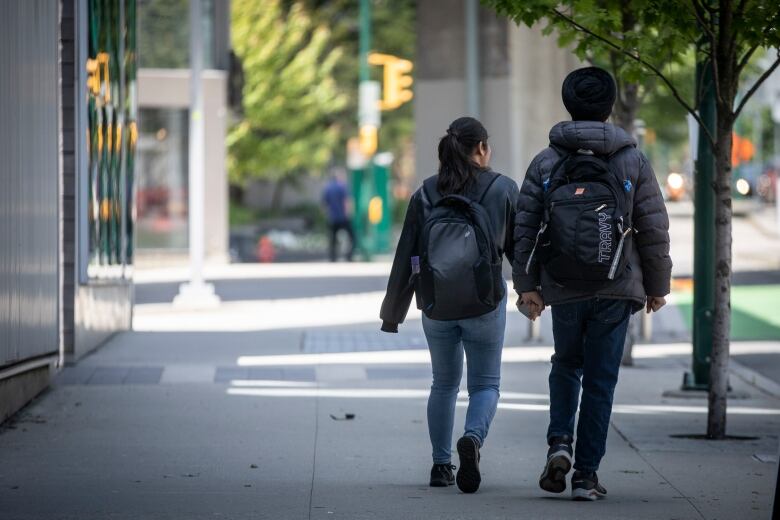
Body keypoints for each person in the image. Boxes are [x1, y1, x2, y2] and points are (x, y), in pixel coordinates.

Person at [513, 67, 672, 501]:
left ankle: (559, 442)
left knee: (566, 363)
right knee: (601, 381)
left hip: (563, 286)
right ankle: (585, 476)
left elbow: (525, 227)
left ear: (569, 105)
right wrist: (657, 284)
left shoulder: (547, 161)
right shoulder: (632, 159)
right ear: (609, 107)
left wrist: (527, 285)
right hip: (617, 285)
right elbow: (653, 228)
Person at [380, 116, 521, 493]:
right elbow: (521, 250)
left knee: (442, 384)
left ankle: (441, 466)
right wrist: (531, 292)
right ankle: (472, 439)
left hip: (436, 305)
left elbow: (406, 255)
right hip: (484, 304)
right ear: (481, 149)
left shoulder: (425, 193)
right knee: (485, 385)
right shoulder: (503, 188)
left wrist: (392, 314)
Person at [322, 171, 355, 262]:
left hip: (332, 217)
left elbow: (324, 204)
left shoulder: (327, 188)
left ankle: (333, 258)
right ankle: (349, 256)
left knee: (332, 238)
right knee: (352, 237)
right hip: (343, 217)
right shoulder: (342, 187)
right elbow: (346, 202)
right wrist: (348, 214)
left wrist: (327, 215)